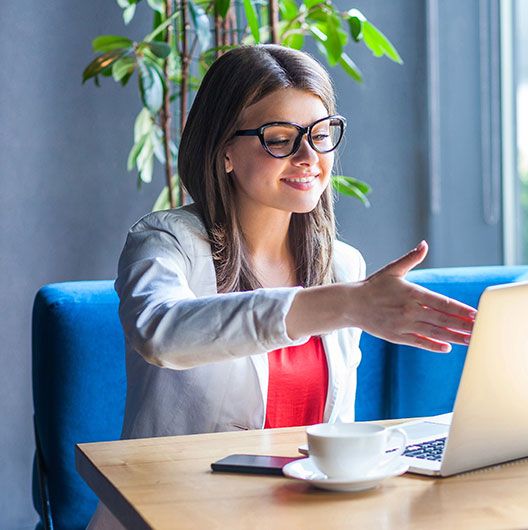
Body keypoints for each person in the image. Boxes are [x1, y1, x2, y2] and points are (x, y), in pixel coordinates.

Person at [87, 44, 475, 528]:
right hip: (177, 513)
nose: (308, 157)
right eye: (279, 138)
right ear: (224, 149)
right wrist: (342, 305)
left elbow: (335, 438)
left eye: (320, 134)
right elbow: (159, 333)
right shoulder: (165, 242)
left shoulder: (343, 266)